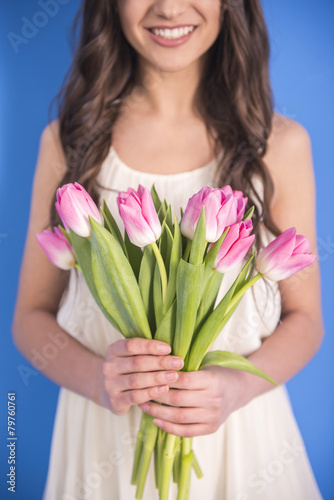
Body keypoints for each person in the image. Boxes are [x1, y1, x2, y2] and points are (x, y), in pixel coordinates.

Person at [12, 1, 324, 499]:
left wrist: (237, 388)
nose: (169, 6)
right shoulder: (71, 144)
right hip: (102, 438)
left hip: (238, 432)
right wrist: (99, 380)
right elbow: (29, 317)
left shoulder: (279, 145)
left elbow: (307, 321)